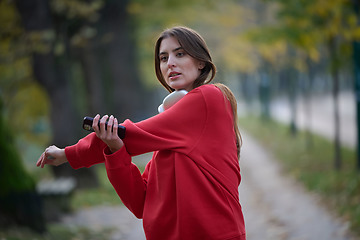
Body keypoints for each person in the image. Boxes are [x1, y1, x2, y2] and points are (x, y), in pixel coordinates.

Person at [37, 26, 246, 240]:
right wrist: (115, 149)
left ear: (201, 62)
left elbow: (133, 134)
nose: (170, 63)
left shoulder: (209, 98)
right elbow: (141, 203)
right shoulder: (167, 140)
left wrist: (69, 154)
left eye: (180, 54)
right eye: (163, 58)